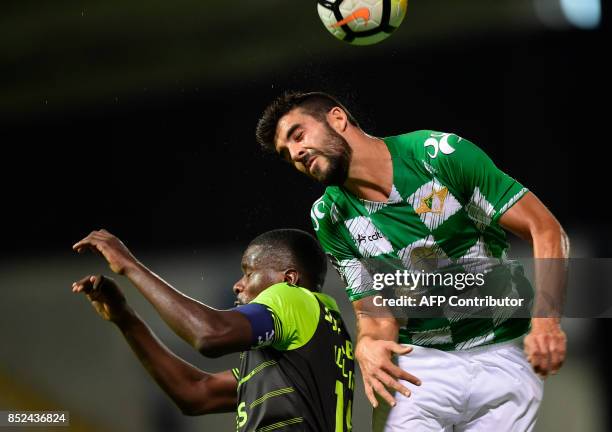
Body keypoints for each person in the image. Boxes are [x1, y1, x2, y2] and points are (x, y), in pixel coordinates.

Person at [256, 91, 569, 431]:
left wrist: (546, 322)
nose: (297, 154)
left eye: (298, 135)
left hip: (505, 352)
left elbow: (546, 229)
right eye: (287, 156)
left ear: (337, 118)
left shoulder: (438, 155)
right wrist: (369, 344)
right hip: (419, 364)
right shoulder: (328, 217)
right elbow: (374, 313)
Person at [71, 228, 354, 431]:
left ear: (289, 278)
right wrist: (126, 319)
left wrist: (130, 266)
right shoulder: (318, 336)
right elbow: (196, 394)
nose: (238, 284)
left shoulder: (294, 298)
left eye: (249, 271)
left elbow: (209, 335)